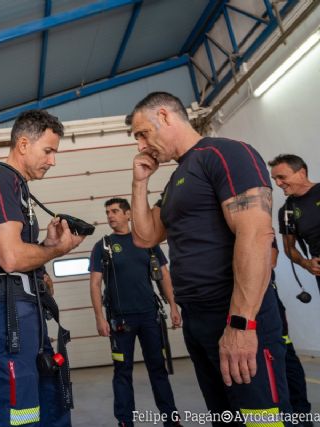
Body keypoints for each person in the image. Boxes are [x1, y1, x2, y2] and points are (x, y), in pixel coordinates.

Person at [129, 91, 292, 425]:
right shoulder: (177, 179)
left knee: (263, 419)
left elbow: (257, 235)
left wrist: (242, 323)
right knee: (227, 418)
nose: (141, 145)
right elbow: (145, 236)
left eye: (142, 133)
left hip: (233, 314)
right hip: (199, 319)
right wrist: (139, 182)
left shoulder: (225, 153)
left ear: (164, 115)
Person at [0, 109, 84, 427]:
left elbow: (20, 255)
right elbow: (11, 258)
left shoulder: (17, 188)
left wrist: (47, 248)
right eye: (48, 151)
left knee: (47, 401)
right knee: (20, 414)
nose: (52, 160)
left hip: (20, 312)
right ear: (23, 144)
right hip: (7, 314)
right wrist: (57, 250)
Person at [88, 198, 181, 427]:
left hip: (150, 316)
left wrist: (173, 306)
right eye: (108, 212)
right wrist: (100, 318)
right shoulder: (103, 245)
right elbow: (94, 284)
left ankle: (171, 418)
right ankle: (125, 421)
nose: (111, 216)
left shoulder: (147, 241)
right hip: (121, 321)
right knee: (122, 372)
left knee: (158, 369)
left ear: (128, 215)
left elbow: (164, 276)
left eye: (116, 211)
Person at [270, 238, 313, 426]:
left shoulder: (256, 219)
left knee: (286, 356)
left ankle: (301, 414)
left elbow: (271, 260)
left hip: (266, 299)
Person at [269, 154, 320, 292]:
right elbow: (289, 248)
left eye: (282, 177)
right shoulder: (286, 211)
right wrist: (306, 264)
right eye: (275, 179)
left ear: (302, 173)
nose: (278, 183)